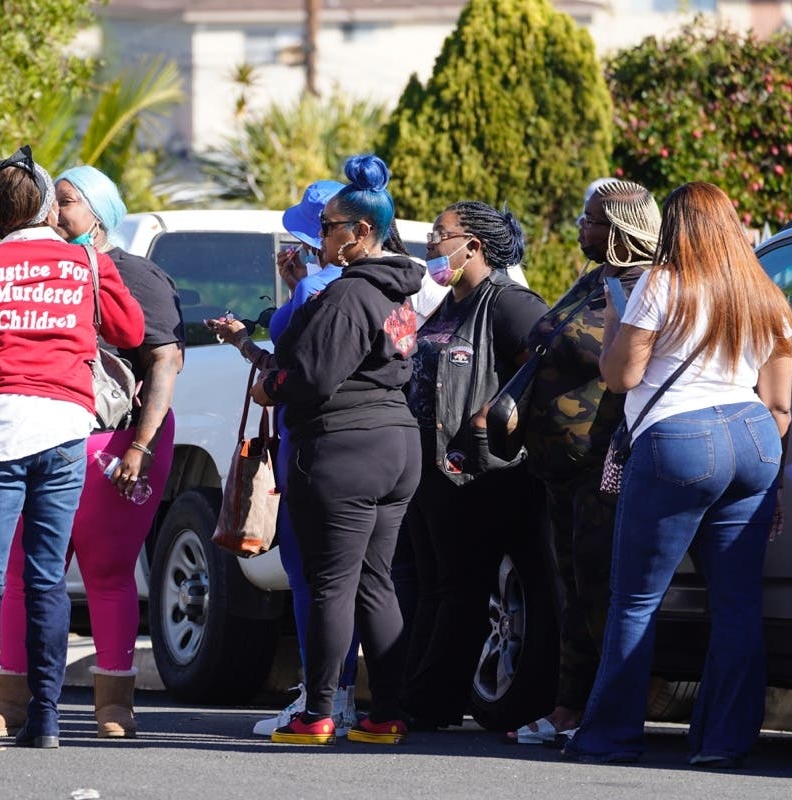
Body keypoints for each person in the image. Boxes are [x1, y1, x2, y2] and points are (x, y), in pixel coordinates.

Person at [566, 181, 792, 766]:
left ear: (676, 227)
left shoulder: (659, 282)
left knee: (636, 599)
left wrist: (618, 318)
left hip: (680, 439)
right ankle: (724, 741)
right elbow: (781, 407)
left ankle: (611, 737)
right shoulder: (767, 293)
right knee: (738, 604)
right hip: (753, 436)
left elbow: (620, 377)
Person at [0, 146, 145, 751]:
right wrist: (94, 267)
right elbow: (130, 333)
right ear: (48, 206)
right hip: (66, 428)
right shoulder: (87, 263)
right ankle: (45, 719)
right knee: (48, 579)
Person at [0, 165, 183, 740]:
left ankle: (114, 705)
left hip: (117, 441)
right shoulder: (43, 269)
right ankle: (10, 701)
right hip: (47, 433)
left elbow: (165, 364)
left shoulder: (134, 275)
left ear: (98, 211)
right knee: (23, 569)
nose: (56, 212)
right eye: (53, 201)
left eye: (66, 203)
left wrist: (138, 447)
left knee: (107, 569)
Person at [249, 153, 421, 745]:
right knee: (375, 580)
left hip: (345, 448)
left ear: (361, 233)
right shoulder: (397, 291)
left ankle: (317, 712)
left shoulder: (350, 294)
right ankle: (388, 713)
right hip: (397, 446)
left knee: (332, 582)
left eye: (329, 227)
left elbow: (314, 376)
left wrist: (271, 384)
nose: (321, 237)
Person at [507, 179, 661, 744]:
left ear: (621, 230)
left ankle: (601, 710)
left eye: (592, 219)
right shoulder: (596, 278)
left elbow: (621, 366)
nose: (581, 227)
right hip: (559, 465)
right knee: (571, 586)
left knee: (599, 587)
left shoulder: (646, 286)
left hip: (606, 464)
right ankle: (569, 706)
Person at [208, 179, 363, 737]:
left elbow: (290, 369)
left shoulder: (317, 287)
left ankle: (320, 698)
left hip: (312, 444)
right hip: (368, 444)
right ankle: (342, 696)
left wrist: (294, 290)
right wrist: (248, 344)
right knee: (355, 579)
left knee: (309, 577)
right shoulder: (370, 284)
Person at [400, 201, 548, 730]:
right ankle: (413, 698)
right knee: (431, 585)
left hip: (479, 475)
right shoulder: (449, 305)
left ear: (475, 247)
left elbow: (548, 359)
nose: (431, 244)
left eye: (441, 234)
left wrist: (501, 413)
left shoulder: (507, 304)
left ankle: (429, 703)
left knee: (459, 588)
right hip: (430, 472)